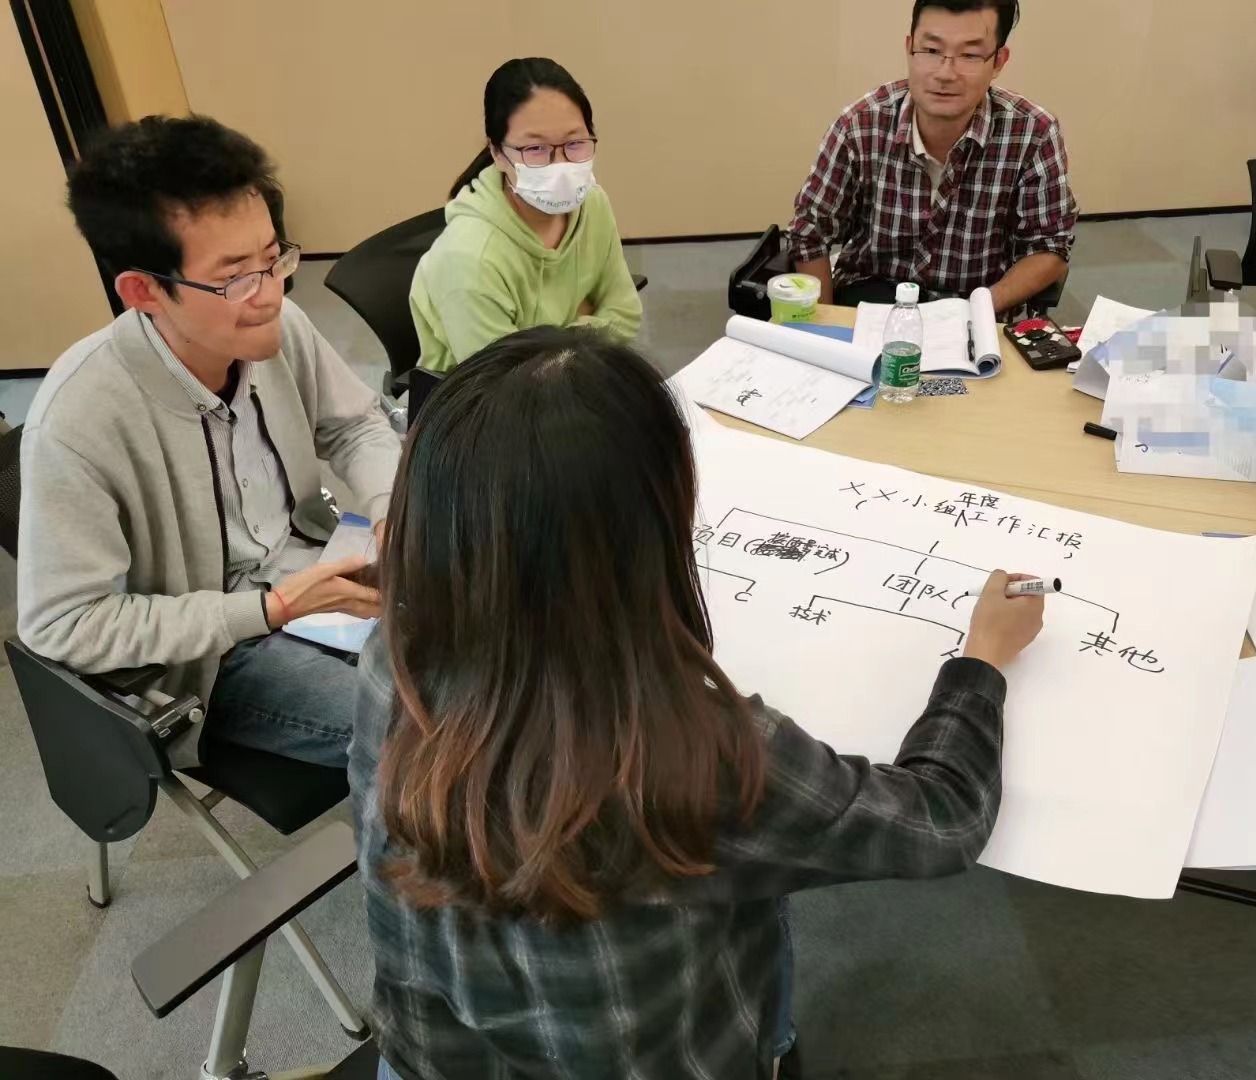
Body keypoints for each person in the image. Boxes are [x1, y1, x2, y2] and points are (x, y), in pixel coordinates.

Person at [352, 325, 1044, 1079]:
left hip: (426, 1061)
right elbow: (943, 821)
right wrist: (981, 660)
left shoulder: (392, 660)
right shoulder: (691, 749)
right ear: (651, 523)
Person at [17, 115, 402, 770]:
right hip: (214, 656)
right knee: (429, 740)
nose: (271, 294)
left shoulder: (277, 324)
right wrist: (271, 608)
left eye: (274, 258)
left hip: (315, 566)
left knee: (514, 657)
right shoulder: (81, 419)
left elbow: (356, 424)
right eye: (235, 278)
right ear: (144, 291)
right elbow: (65, 624)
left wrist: (393, 512)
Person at [787, 0, 1077, 314]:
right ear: (910, 48)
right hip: (870, 298)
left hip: (975, 306)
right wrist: (827, 325)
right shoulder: (860, 125)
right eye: (931, 50)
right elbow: (810, 233)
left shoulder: (1034, 133)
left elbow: (1050, 247)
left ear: (998, 62)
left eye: (969, 55)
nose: (945, 73)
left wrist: (976, 310)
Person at [411, 58, 642, 373]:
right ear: (497, 153)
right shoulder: (470, 257)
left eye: (575, 143)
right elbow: (508, 381)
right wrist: (589, 324)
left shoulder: (593, 204)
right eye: (535, 149)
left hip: (576, 380)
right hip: (482, 398)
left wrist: (551, 340)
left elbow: (626, 314)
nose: (561, 166)